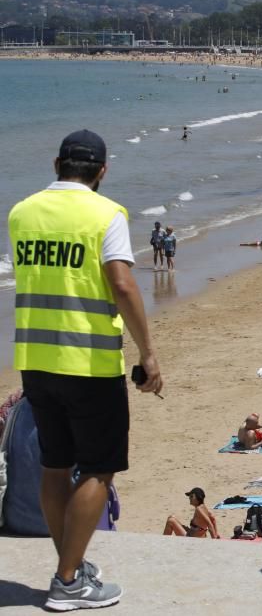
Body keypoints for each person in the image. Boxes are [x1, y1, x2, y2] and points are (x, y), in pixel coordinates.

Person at [9, 129, 163, 610]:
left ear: (56, 164)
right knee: (99, 468)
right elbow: (121, 284)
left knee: (55, 467)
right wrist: (148, 353)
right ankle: (68, 581)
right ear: (102, 171)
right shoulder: (106, 213)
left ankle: (69, 566)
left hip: (35, 359)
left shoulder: (21, 213)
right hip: (90, 363)